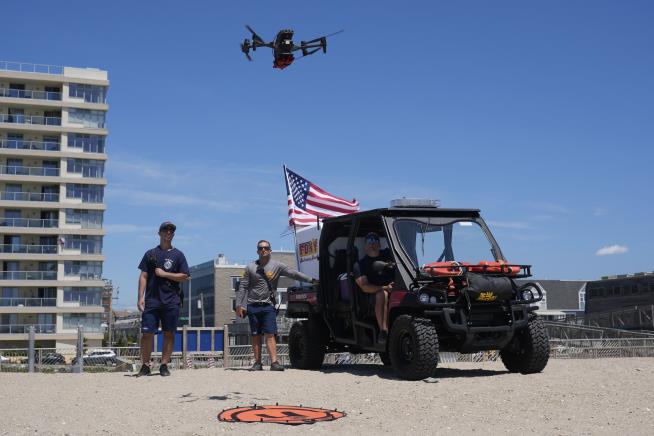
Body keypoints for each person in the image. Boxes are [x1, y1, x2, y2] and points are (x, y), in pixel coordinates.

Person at [236, 239, 316, 371]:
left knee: (270, 334)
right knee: (256, 335)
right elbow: (243, 287)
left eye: (266, 248)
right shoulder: (250, 267)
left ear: (270, 250)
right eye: (260, 248)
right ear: (257, 251)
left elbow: (293, 273)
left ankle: (274, 363)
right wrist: (239, 304)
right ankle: (257, 363)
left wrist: (310, 280)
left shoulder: (277, 266)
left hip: (268, 306)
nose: (263, 250)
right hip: (252, 305)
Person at [135, 221, 189, 377]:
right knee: (147, 334)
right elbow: (143, 275)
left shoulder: (178, 255)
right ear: (159, 233)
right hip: (152, 301)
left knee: (169, 333)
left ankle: (164, 365)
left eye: (171, 231)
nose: (168, 233)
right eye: (165, 230)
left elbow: (185, 275)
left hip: (171, 300)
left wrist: (165, 274)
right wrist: (140, 297)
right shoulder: (150, 254)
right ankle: (145, 365)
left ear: (173, 234)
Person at [354, 232, 395, 343]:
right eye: (369, 242)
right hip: (371, 296)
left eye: (375, 241)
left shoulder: (388, 257)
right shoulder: (360, 265)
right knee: (382, 294)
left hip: (394, 289)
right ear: (365, 246)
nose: (372, 244)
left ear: (379, 244)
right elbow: (365, 287)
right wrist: (384, 287)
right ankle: (383, 331)